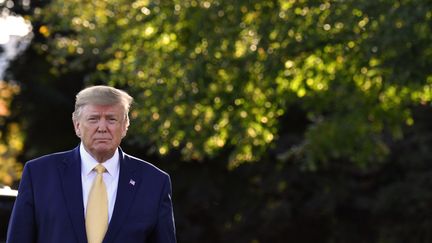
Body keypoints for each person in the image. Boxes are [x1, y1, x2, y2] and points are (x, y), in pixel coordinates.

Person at [7, 85, 176, 243]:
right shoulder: (39, 175)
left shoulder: (154, 182)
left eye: (111, 119)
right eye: (93, 119)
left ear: (125, 126)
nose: (102, 127)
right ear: (77, 126)